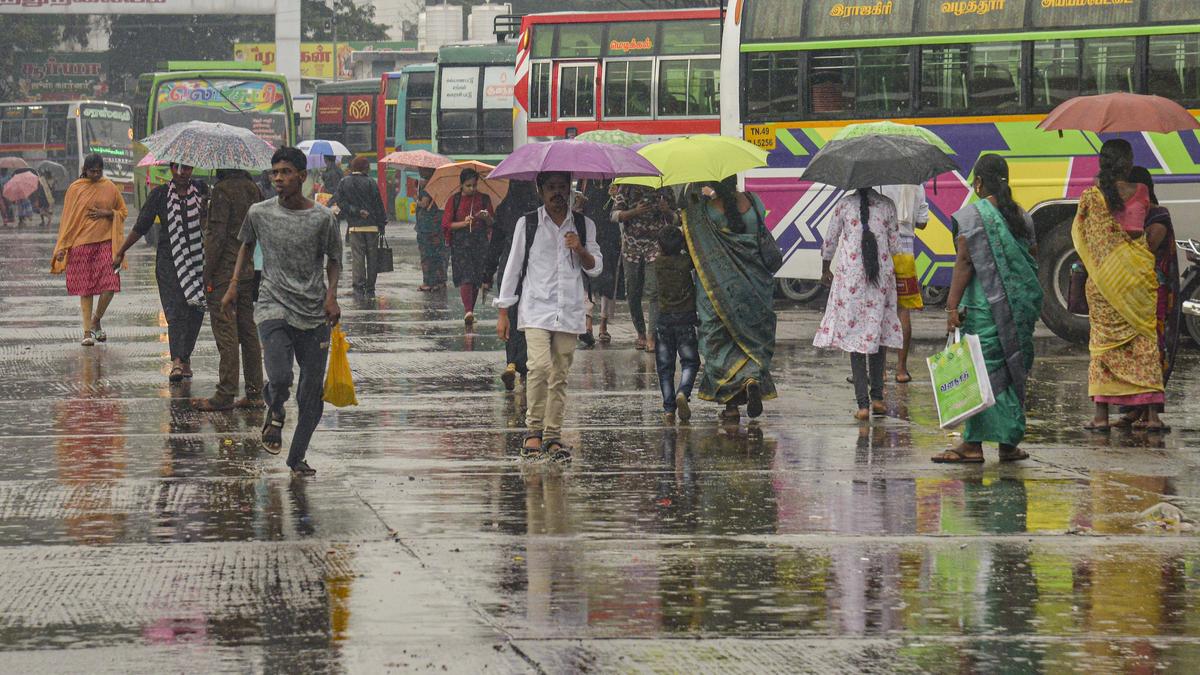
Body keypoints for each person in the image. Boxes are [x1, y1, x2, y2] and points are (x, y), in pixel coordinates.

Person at [221, 146, 342, 477]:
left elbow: (334, 259)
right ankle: (274, 413)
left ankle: (297, 456)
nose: (278, 178)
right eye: (274, 172)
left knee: (311, 395)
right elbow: (246, 244)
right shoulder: (259, 213)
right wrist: (233, 285)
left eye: (285, 172)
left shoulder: (321, 218)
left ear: (301, 177)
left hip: (314, 313)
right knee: (280, 375)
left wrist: (331, 296)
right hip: (273, 306)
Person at [931, 155, 1044, 463]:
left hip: (983, 308)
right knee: (1010, 372)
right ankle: (1008, 444)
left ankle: (973, 444)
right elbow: (1031, 258)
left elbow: (965, 263)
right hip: (1018, 309)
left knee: (983, 375)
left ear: (979, 182)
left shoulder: (971, 218)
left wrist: (951, 307)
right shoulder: (1022, 216)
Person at [495, 171, 602, 461]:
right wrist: (503, 311)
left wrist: (579, 247)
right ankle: (533, 432)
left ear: (570, 190)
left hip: (569, 311)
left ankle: (553, 436)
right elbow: (513, 267)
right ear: (540, 191)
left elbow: (595, 268)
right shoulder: (527, 223)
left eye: (562, 187)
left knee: (560, 376)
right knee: (539, 368)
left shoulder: (583, 224)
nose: (557, 193)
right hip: (536, 309)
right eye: (551, 188)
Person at [1075, 139, 1166, 431]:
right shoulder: (1141, 191)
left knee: (1102, 346)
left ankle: (1101, 417)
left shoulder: (1090, 197)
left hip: (1104, 283)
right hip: (1138, 279)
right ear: (1127, 164)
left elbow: (1081, 236)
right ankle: (1151, 416)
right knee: (1145, 342)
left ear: (1102, 163)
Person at [685, 178, 776, 422]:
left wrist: (693, 186)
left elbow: (688, 210)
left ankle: (731, 406)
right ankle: (752, 379)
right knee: (752, 341)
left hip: (720, 290)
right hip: (755, 287)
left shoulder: (706, 211)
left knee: (720, 344)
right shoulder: (754, 202)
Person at [114, 163, 209, 382]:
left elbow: (208, 226)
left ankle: (185, 357)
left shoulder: (202, 191)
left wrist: (205, 209)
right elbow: (142, 225)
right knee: (176, 309)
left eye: (187, 168)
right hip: (169, 261)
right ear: (172, 168)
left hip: (197, 261)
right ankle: (177, 360)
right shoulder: (160, 194)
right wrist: (121, 251)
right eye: (179, 168)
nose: (183, 173)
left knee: (196, 309)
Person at [814, 188, 903, 420]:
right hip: (880, 279)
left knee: (855, 339)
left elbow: (830, 241)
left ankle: (862, 405)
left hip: (851, 277)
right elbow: (895, 247)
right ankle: (878, 399)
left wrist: (825, 270)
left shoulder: (844, 205)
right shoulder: (887, 205)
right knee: (876, 335)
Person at [192, 169, 265, 412]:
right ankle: (255, 392)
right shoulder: (253, 189)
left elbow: (216, 237)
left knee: (226, 331)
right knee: (248, 331)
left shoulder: (222, 191)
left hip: (224, 273)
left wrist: (207, 272)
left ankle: (225, 392)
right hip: (246, 269)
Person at [1115, 167, 1179, 431]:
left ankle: (1151, 411)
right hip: (1133, 292)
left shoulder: (1158, 217)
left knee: (1153, 349)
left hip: (1155, 294)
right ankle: (1133, 408)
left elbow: (1146, 249)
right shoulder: (1132, 216)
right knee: (1131, 350)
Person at [50, 154, 127, 346]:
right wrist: (62, 247)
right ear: (85, 170)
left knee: (110, 285)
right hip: (80, 244)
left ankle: (96, 320)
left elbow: (123, 211)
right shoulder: (75, 189)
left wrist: (108, 213)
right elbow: (68, 220)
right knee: (86, 289)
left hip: (106, 243)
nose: (96, 174)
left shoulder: (110, 187)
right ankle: (87, 332)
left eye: (99, 171)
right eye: (93, 171)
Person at [486, 180, 541, 390]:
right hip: (532, 269)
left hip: (508, 269)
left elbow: (495, 244)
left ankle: (511, 362)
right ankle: (526, 365)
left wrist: (487, 273)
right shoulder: (538, 208)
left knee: (510, 317)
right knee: (529, 319)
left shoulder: (504, 208)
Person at [612, 185, 676, 351]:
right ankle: (640, 332)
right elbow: (614, 215)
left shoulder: (664, 188)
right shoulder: (627, 186)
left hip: (655, 246)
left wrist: (667, 210)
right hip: (631, 247)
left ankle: (651, 336)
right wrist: (635, 212)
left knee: (654, 291)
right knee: (633, 292)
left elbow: (677, 219)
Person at [878, 184, 928, 383]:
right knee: (902, 309)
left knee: (879, 309)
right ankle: (901, 370)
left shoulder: (878, 179)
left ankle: (879, 371)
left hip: (882, 247)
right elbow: (923, 222)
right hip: (906, 250)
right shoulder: (916, 183)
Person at [654, 226, 700, 424]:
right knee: (690, 362)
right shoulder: (685, 262)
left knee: (665, 368)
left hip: (664, 320)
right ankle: (683, 391)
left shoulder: (658, 263)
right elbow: (694, 255)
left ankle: (669, 409)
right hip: (686, 319)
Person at [442, 168, 495, 326]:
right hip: (461, 243)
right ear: (461, 185)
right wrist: (463, 223)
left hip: (479, 242)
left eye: (474, 185)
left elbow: (493, 223)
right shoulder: (454, 200)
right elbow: (447, 224)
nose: (472, 189)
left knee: (476, 277)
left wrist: (486, 218)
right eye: (468, 185)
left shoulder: (484, 199)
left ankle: (470, 310)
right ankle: (468, 310)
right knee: (466, 276)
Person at [332, 156, 388, 297]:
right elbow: (378, 205)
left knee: (358, 258)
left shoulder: (344, 182)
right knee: (372, 258)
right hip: (372, 227)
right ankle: (370, 288)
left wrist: (355, 211)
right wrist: (382, 224)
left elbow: (339, 201)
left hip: (355, 227)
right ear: (365, 168)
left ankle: (358, 288)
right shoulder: (371, 182)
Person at [578, 179, 621, 346]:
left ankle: (603, 325)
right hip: (589, 235)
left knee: (607, 281)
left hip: (610, 236)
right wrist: (579, 204)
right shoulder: (584, 181)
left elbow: (620, 209)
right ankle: (588, 325)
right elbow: (577, 210)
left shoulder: (615, 181)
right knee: (588, 279)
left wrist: (616, 197)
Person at [414, 168, 447, 292]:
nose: (419, 171)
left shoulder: (428, 186)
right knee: (438, 254)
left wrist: (416, 199)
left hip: (426, 226)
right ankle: (440, 281)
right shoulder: (440, 185)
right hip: (437, 225)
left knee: (427, 254)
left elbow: (424, 204)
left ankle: (428, 282)